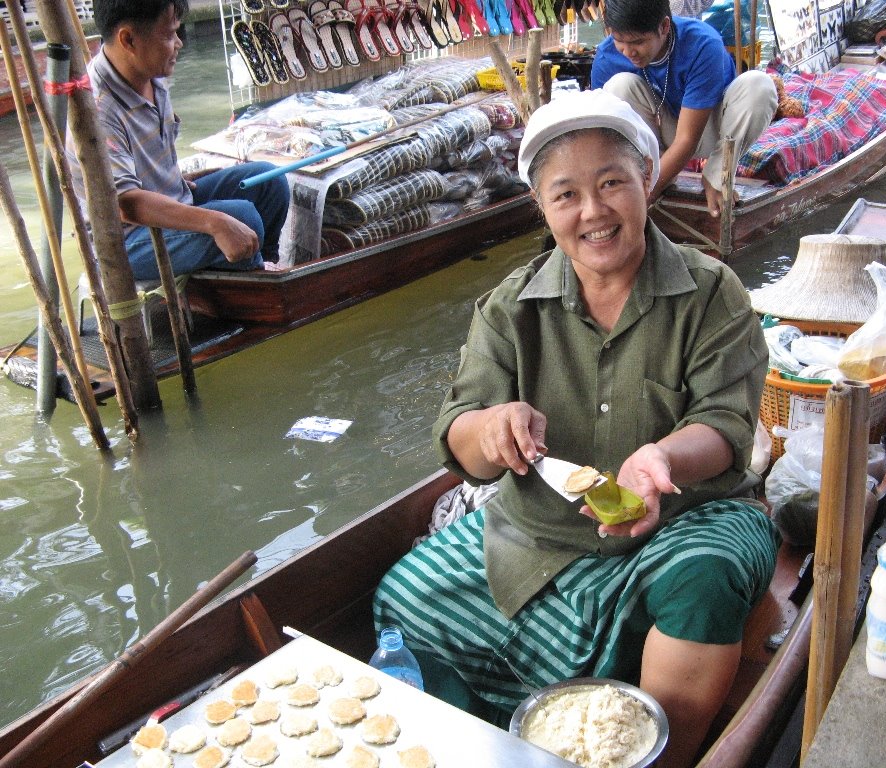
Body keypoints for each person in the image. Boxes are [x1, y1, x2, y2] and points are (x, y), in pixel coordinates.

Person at [373, 89, 780, 767]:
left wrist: (661, 461)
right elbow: (460, 440)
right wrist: (493, 428)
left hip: (689, 514)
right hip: (540, 530)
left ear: (646, 180)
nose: (593, 211)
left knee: (706, 579)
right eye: (566, 194)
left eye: (611, 183)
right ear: (542, 206)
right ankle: (491, 748)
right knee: (404, 598)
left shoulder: (713, 293)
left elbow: (725, 424)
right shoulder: (509, 310)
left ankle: (665, 755)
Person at [67, 0, 290, 281]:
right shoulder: (99, 108)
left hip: (171, 203)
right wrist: (214, 222)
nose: (178, 44)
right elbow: (125, 205)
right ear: (128, 39)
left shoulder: (150, 73)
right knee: (241, 216)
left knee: (269, 179)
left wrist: (174, 179)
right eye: (169, 35)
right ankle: (250, 270)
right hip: (128, 241)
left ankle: (262, 268)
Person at [590, 0, 777, 217]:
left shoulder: (703, 43)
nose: (628, 52)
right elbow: (601, 133)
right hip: (659, 135)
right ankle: (651, 170)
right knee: (618, 85)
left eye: (638, 42)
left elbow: (687, 139)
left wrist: (645, 194)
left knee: (760, 86)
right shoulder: (607, 56)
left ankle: (715, 176)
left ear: (664, 27)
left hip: (713, 130)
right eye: (619, 41)